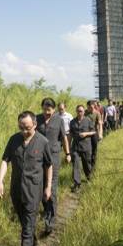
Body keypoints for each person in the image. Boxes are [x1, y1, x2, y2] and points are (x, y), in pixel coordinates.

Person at [0, 111, 53, 246]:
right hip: (16, 193)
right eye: (21, 127)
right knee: (25, 228)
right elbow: (5, 160)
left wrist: (48, 187)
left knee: (26, 232)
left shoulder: (42, 142)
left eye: (27, 128)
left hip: (33, 194)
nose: (24, 131)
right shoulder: (14, 140)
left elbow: (48, 165)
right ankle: (32, 243)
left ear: (34, 125)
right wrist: (0, 181)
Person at [36, 98, 71, 235]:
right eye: (45, 109)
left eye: (49, 110)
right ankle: (46, 209)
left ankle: (51, 219)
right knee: (42, 185)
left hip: (54, 157)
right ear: (42, 107)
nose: (47, 112)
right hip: (39, 157)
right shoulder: (36, 119)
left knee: (52, 187)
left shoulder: (59, 120)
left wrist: (67, 153)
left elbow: (63, 138)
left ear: (54, 110)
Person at [69, 105, 95, 192]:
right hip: (75, 147)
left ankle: (89, 177)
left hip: (86, 146)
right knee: (76, 165)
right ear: (76, 111)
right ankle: (77, 184)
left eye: (81, 111)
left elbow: (94, 131)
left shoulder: (88, 120)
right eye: (78, 111)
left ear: (84, 112)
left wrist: (86, 134)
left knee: (86, 164)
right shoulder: (72, 122)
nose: (79, 113)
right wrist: (68, 146)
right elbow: (71, 134)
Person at [85, 100, 102, 167]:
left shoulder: (97, 113)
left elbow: (100, 124)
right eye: (90, 108)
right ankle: (88, 164)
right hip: (86, 134)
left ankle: (93, 166)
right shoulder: (85, 113)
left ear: (94, 106)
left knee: (94, 150)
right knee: (87, 150)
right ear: (87, 107)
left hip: (94, 134)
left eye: (92, 107)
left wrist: (100, 133)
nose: (91, 109)